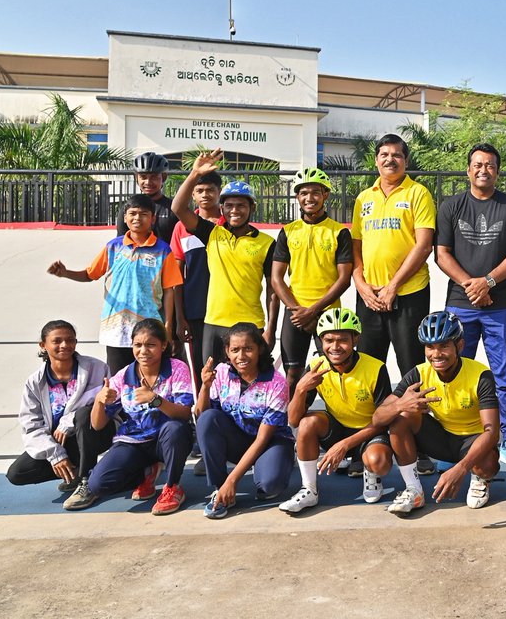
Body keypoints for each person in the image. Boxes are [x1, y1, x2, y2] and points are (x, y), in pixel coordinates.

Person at [434, 143, 506, 469]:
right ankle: (456, 439)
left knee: (505, 376)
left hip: (500, 305)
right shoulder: (451, 206)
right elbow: (441, 254)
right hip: (461, 304)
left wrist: (487, 282)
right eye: (477, 164)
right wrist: (472, 286)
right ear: (468, 169)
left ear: (497, 171)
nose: (483, 170)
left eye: (489, 165)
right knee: (453, 370)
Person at [351, 134, 437, 477]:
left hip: (409, 294)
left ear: (406, 160)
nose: (390, 160)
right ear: (376, 160)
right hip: (369, 297)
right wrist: (362, 285)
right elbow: (356, 248)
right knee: (367, 371)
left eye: (397, 155)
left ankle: (419, 448)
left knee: (412, 370)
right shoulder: (363, 198)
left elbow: (423, 245)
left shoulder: (418, 193)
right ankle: (366, 445)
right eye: (384, 154)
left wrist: (393, 286)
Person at [373, 311, 501, 515]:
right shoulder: (419, 373)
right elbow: (377, 418)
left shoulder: (481, 375)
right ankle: (413, 489)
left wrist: (461, 468)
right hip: (441, 438)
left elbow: (492, 432)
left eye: (444, 346)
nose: (436, 354)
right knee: (401, 417)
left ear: (459, 345)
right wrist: (400, 405)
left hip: (473, 440)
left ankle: (479, 479)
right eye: (430, 347)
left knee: (486, 466)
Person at [47, 194, 181, 374]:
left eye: (143, 214)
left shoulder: (163, 250)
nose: (137, 218)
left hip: (149, 328)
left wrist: (168, 327)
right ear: (125, 218)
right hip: (116, 329)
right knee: (118, 380)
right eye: (132, 213)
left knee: (151, 377)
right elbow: (90, 274)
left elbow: (169, 290)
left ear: (153, 219)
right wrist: (65, 273)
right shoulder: (113, 247)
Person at [280, 308, 394, 514]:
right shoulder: (316, 367)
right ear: (321, 341)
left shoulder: (376, 368)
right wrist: (300, 389)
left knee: (379, 462)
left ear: (355, 339)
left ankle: (370, 473)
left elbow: (382, 422)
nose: (335, 347)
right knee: (307, 423)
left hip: (369, 432)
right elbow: (294, 420)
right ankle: (309, 489)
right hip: (336, 430)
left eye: (342, 340)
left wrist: (344, 445)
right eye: (329, 340)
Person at [171, 149, 278, 367]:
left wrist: (271, 329)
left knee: (250, 380)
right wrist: (194, 174)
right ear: (222, 208)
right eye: (229, 205)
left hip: (251, 323)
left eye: (241, 205)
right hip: (214, 323)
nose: (234, 210)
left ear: (252, 208)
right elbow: (178, 208)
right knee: (210, 381)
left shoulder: (267, 243)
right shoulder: (212, 233)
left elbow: (272, 290)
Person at [83, 319, 194, 515]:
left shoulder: (177, 368)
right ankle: (146, 473)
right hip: (134, 441)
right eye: (138, 345)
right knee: (98, 484)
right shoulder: (123, 376)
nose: (143, 351)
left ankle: (173, 486)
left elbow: (184, 413)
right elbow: (97, 425)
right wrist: (99, 401)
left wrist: (156, 400)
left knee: (175, 429)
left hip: (167, 439)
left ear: (163, 346)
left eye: (150, 345)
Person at [6, 320, 115, 511]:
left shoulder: (97, 368)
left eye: (70, 340)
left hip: (98, 432)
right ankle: (74, 472)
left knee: (83, 416)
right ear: (43, 345)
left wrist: (68, 420)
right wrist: (55, 454)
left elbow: (105, 403)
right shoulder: (35, 382)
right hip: (63, 443)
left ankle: (87, 481)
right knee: (17, 473)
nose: (64, 345)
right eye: (57, 341)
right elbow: (31, 425)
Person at [194, 322, 295, 518]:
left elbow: (262, 439)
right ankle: (220, 488)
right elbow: (202, 417)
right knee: (208, 419)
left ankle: (275, 464)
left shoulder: (277, 382)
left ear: (259, 349)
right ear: (227, 351)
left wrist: (232, 481)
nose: (241, 356)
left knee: (270, 486)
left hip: (270, 442)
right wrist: (205, 387)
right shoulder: (221, 372)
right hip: (238, 439)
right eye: (235, 350)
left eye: (248, 349)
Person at [271, 167, 354, 393]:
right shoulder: (288, 231)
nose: (310, 198)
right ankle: (291, 415)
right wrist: (298, 310)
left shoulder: (339, 232)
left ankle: (336, 414)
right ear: (297, 197)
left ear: (325, 195)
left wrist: (313, 311)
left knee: (332, 371)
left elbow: (344, 279)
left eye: (316, 192)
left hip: (328, 313)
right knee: (292, 374)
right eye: (304, 193)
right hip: (295, 313)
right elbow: (276, 278)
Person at [170, 169, 222, 383]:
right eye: (199, 190)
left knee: (231, 368)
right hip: (196, 310)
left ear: (219, 192)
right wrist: (180, 317)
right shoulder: (181, 227)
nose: (205, 194)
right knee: (202, 371)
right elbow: (176, 276)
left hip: (228, 309)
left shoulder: (231, 223)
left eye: (210, 190)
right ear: (192, 194)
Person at [117, 151, 179, 243]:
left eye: (154, 177)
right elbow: (121, 242)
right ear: (136, 178)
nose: (148, 182)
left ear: (164, 177)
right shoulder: (129, 208)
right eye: (143, 177)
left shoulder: (174, 208)